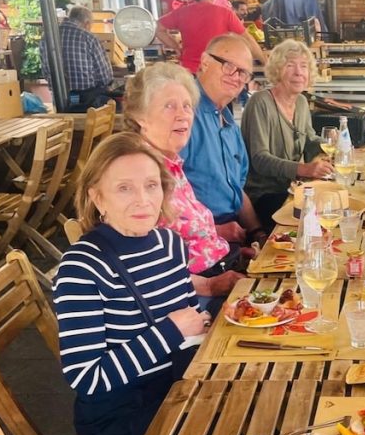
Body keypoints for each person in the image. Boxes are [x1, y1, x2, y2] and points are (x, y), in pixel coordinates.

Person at [53, 133, 209, 435]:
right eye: (124, 188)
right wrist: (169, 331)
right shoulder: (82, 267)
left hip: (177, 387)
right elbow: (87, 378)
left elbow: (191, 323)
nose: (143, 199)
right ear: (97, 197)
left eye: (151, 185)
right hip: (123, 416)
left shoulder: (168, 243)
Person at [125, 63, 247, 314]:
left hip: (222, 270)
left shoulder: (170, 164)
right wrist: (210, 286)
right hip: (188, 303)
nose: (182, 115)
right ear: (140, 116)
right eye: (169, 106)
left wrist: (227, 247)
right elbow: (140, 266)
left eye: (187, 106)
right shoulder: (138, 175)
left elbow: (184, 231)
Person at [180, 33, 267, 244]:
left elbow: (237, 189)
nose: (236, 76)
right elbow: (164, 199)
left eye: (244, 73)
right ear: (205, 61)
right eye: (228, 66)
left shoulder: (227, 120)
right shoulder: (184, 115)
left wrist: (258, 232)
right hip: (198, 244)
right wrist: (214, 231)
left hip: (233, 233)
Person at [242, 39, 334, 229]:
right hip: (265, 195)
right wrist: (304, 169)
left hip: (293, 189)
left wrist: (333, 142)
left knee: (335, 202)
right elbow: (259, 159)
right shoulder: (260, 103)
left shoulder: (300, 101)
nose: (298, 72)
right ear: (277, 70)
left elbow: (309, 139)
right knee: (319, 217)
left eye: (304, 66)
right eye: (290, 65)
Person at [156, 0, 265, 73]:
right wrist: (265, 62)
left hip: (189, 71)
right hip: (216, 71)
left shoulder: (181, 12)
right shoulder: (225, 13)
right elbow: (248, 39)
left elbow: (158, 28)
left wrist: (176, 47)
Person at [41, 5, 113, 112]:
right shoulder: (89, 38)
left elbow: (46, 70)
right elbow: (105, 76)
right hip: (87, 100)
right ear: (87, 23)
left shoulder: (47, 37)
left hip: (58, 97)